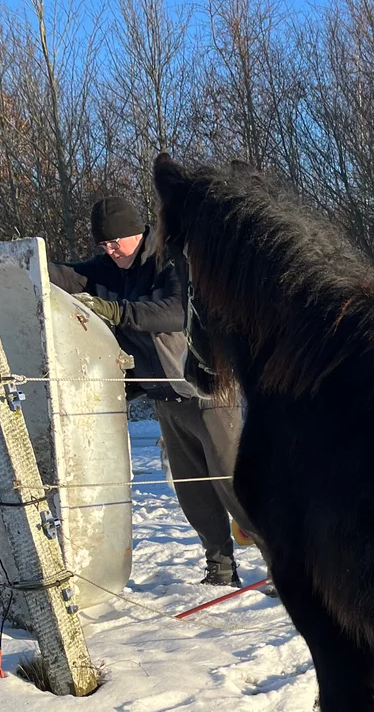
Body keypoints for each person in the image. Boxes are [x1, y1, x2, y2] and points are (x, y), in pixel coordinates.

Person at [48, 194, 254, 587]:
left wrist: (118, 311)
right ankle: (221, 567)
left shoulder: (171, 259)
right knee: (193, 494)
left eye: (117, 242)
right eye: (104, 245)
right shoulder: (110, 267)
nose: (111, 250)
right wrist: (25, 263)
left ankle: (282, 563)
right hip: (166, 399)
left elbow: (177, 310)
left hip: (207, 392)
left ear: (137, 233)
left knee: (232, 483)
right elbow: (65, 274)